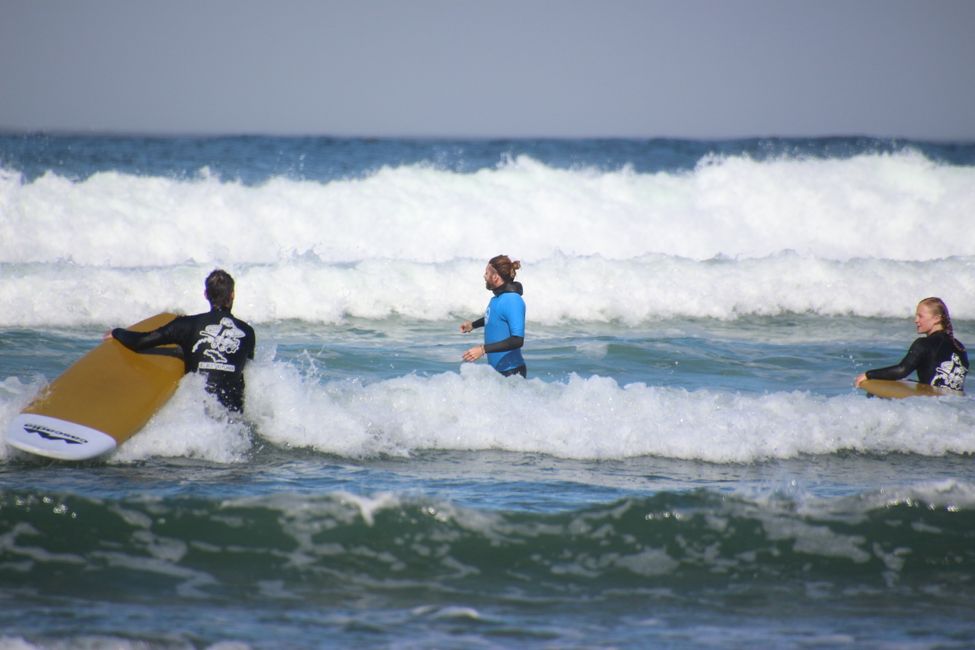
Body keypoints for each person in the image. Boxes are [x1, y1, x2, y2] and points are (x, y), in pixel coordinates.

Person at [111, 269, 256, 412]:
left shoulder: (186, 325)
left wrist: (117, 332)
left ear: (206, 295)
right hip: (233, 419)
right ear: (232, 295)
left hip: (197, 413)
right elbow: (246, 367)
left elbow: (139, 342)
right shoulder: (248, 332)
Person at [855, 297, 968, 391]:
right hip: (953, 404)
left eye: (920, 316)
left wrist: (868, 375)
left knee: (876, 390)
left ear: (936, 319)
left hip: (931, 404)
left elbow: (902, 370)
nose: (916, 320)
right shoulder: (960, 347)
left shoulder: (923, 344)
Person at [460, 254, 527, 377]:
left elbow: (517, 340)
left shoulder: (513, 300)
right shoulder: (497, 298)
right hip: (497, 371)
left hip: (512, 372)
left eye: (486, 273)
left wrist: (483, 349)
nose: (484, 276)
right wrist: (472, 325)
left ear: (495, 277)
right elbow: (493, 318)